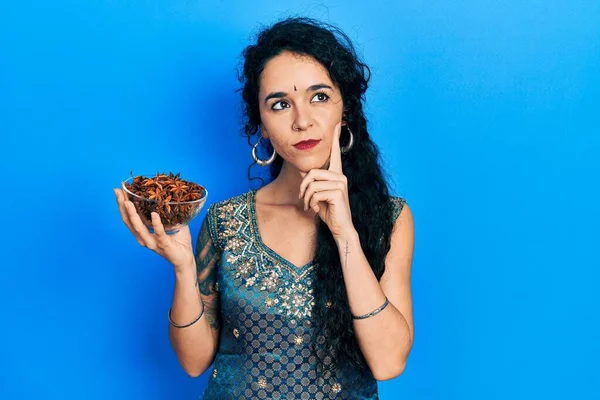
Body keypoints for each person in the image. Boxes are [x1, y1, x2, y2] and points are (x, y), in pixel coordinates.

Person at [114, 17, 414, 400]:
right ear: (263, 125)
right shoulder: (225, 220)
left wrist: (345, 235)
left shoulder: (389, 218)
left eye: (319, 97)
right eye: (280, 104)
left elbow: (389, 363)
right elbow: (193, 362)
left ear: (346, 110)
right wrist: (184, 268)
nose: (302, 121)